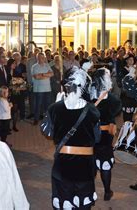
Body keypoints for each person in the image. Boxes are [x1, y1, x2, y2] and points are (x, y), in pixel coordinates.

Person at [46, 67, 100, 209]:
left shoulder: (54, 108)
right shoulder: (92, 110)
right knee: (83, 204)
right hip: (85, 166)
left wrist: (56, 105)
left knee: (64, 203)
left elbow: (48, 132)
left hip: (63, 165)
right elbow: (97, 138)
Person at [89, 68, 121, 201]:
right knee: (105, 164)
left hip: (90, 134)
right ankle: (107, 192)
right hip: (106, 135)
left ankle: (89, 192)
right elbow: (117, 112)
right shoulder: (113, 99)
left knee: (90, 163)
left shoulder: (88, 97)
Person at [31, 52, 53, 125]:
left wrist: (42, 74)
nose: (42, 59)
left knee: (47, 105)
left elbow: (52, 74)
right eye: (40, 57)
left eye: (43, 57)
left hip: (48, 89)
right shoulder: (34, 66)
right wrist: (47, 75)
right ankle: (36, 119)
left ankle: (47, 119)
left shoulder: (47, 65)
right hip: (39, 89)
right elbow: (36, 77)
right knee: (38, 105)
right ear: (37, 58)